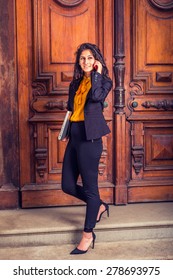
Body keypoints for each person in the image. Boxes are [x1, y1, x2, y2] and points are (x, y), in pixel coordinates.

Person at [61, 42, 113, 255]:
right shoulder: (74, 84)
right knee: (67, 185)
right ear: (78, 61)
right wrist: (66, 131)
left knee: (91, 188)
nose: (86, 62)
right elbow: (71, 109)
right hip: (74, 137)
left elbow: (97, 98)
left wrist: (97, 74)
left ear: (96, 61)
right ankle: (98, 205)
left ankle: (87, 234)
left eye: (90, 58)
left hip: (90, 140)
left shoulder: (104, 81)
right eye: (83, 58)